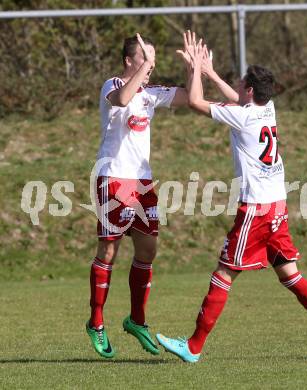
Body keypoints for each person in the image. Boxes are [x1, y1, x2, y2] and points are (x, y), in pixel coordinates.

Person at [156, 34, 307, 362]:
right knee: (290, 275)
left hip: (256, 210)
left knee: (223, 273)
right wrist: (213, 74)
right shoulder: (266, 108)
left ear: (249, 90)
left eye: (240, 81)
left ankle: (192, 347)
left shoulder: (243, 117)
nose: (237, 83)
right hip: (277, 206)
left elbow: (195, 102)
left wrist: (194, 71)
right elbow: (238, 99)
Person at [86, 33, 190, 358]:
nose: (151, 65)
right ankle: (96, 322)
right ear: (129, 60)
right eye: (144, 58)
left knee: (148, 250)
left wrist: (194, 69)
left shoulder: (149, 94)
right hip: (113, 178)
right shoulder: (112, 85)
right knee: (108, 252)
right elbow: (120, 100)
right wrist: (145, 66)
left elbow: (189, 97)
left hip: (142, 184)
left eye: (152, 59)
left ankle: (136, 320)